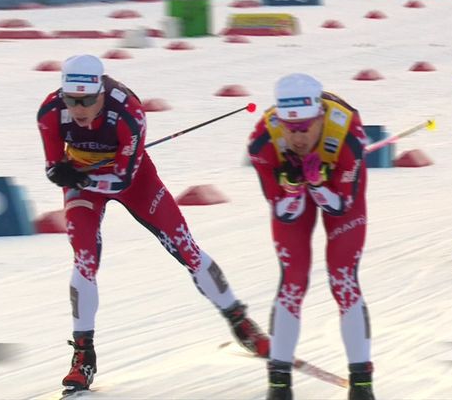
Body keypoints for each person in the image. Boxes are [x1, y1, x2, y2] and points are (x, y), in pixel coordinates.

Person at [36, 54, 269, 396]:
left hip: (132, 180)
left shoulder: (128, 112)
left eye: (86, 101)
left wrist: (79, 177)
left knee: (185, 247)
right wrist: (61, 173)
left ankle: (239, 320)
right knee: (84, 259)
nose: (78, 109)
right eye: (72, 100)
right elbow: (53, 166)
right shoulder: (50, 111)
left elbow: (122, 179)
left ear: (101, 92)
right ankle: (83, 355)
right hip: (84, 181)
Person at [247, 73, 375, 400]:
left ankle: (362, 383)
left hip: (338, 191)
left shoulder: (348, 135)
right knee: (293, 280)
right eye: (289, 128)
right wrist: (293, 189)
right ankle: (279, 382)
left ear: (320, 118)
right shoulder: (263, 141)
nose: (297, 137)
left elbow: (341, 205)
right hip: (301, 191)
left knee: (343, 278)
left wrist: (317, 185)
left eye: (305, 128)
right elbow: (283, 213)